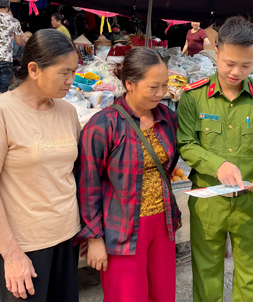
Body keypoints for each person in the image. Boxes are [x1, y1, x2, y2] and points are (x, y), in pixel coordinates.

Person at [177, 16, 253, 302]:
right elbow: (186, 143)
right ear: (216, 53)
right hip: (208, 202)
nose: (237, 72)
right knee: (206, 272)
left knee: (252, 275)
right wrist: (218, 165)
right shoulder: (194, 96)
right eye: (229, 63)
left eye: (246, 65)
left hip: (251, 201)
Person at [0, 29, 80, 301]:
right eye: (64, 72)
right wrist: (12, 254)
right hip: (26, 244)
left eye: (74, 71)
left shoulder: (67, 111)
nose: (71, 81)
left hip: (68, 235)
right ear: (34, 69)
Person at [75, 47, 181, 302]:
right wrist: (95, 238)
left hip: (163, 224)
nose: (161, 93)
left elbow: (169, 165)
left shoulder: (167, 117)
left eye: (165, 85)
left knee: (163, 294)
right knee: (127, 297)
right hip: (122, 229)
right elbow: (87, 185)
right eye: (153, 87)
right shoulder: (104, 124)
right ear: (130, 84)